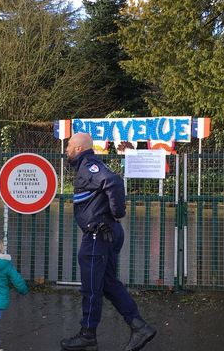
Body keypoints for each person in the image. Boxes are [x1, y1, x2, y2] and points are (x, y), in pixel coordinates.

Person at [60, 133, 157, 351]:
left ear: (78, 148)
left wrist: (116, 212)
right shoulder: (87, 165)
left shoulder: (89, 166)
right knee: (108, 284)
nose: (66, 149)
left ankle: (88, 335)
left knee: (92, 287)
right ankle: (138, 326)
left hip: (97, 235)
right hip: (104, 234)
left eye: (68, 145)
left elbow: (113, 181)